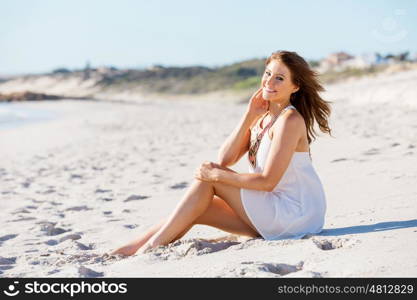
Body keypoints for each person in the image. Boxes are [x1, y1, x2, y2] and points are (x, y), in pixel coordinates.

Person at [110, 50, 333, 256]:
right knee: (199, 208)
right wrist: (249, 115)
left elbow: (267, 182)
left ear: (295, 87)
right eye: (268, 74)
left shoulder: (290, 120)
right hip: (273, 207)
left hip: (295, 214)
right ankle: (128, 250)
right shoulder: (262, 118)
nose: (269, 82)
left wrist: (217, 176)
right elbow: (226, 159)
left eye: (280, 78)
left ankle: (150, 248)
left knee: (210, 179)